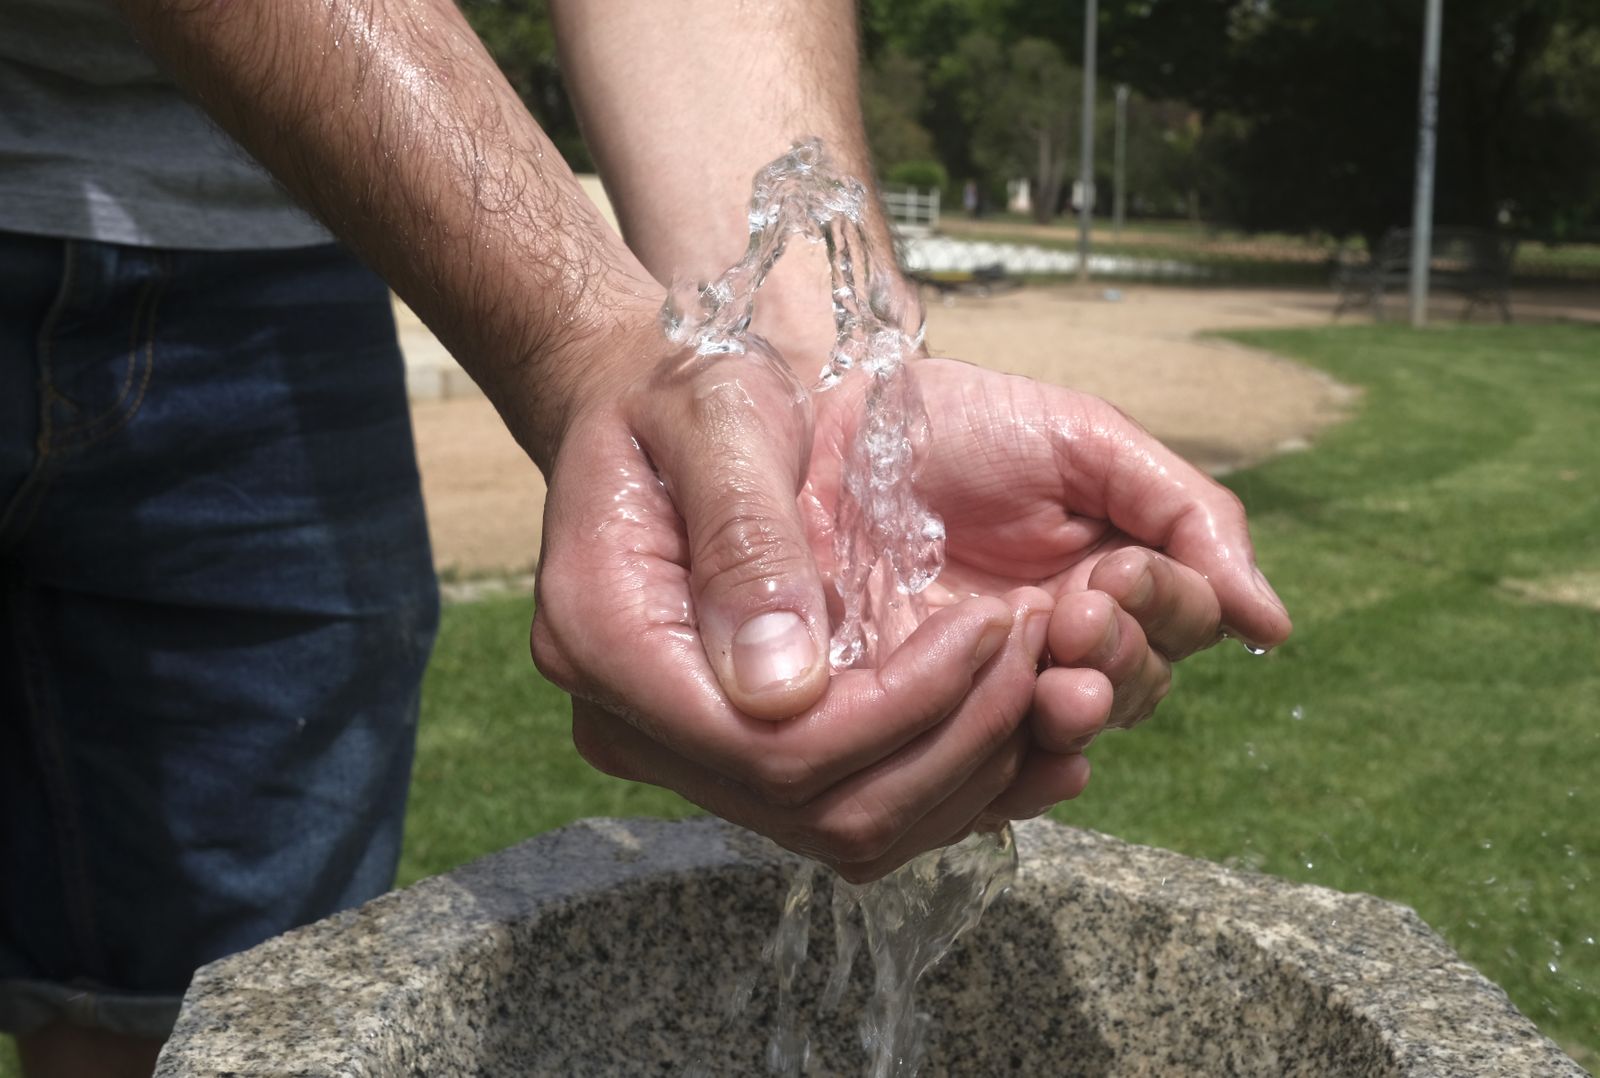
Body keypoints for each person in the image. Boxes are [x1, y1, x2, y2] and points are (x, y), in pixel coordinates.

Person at [0, 0, 1292, 1073]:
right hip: (338, 162)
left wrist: (816, 387)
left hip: (291, 217)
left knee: (200, 998)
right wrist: (581, 342)